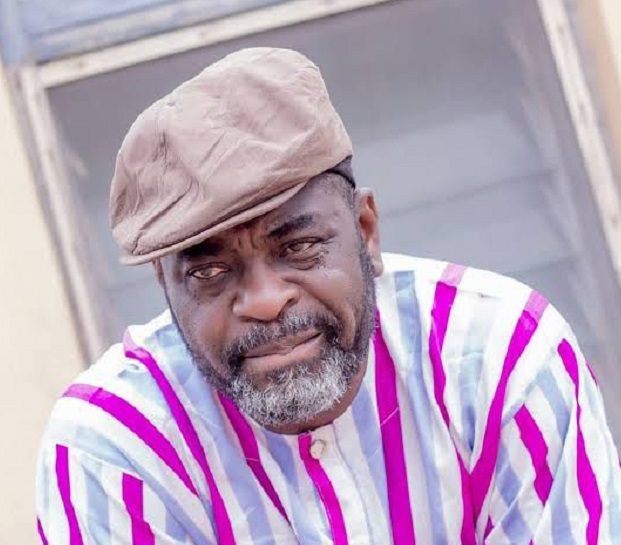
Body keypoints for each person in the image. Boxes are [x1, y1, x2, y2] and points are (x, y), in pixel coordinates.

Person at [36, 47, 621, 545]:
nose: (264, 300)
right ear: (166, 287)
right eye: (210, 272)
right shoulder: (115, 450)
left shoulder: (499, 357)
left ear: (366, 231)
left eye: (299, 246)